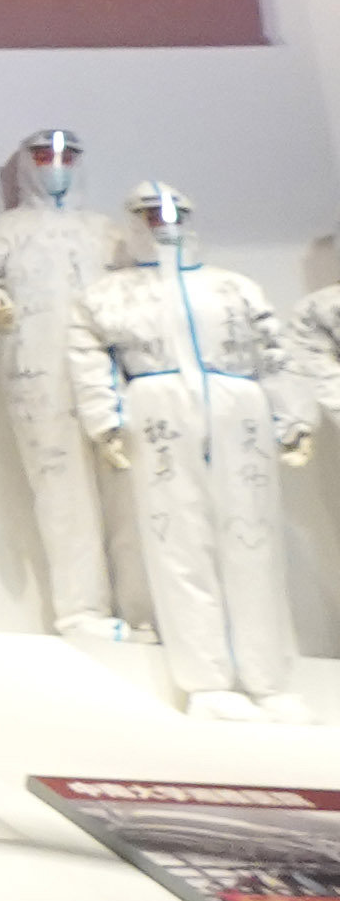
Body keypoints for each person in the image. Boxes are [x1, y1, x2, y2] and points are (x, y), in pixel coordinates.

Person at [67, 183, 315, 720]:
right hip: (157, 409)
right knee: (177, 540)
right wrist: (106, 422)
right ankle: (207, 681)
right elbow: (88, 356)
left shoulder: (233, 288)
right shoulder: (109, 294)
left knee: (252, 537)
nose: (164, 222)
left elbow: (272, 350)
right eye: (150, 214)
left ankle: (267, 676)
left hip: (236, 406)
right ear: (130, 222)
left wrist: (293, 417)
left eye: (174, 213)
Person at [0, 127, 126, 636]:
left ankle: (137, 602)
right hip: (39, 366)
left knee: (125, 485)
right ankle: (82, 608)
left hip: (109, 366)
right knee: (62, 484)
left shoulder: (105, 231)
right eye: (46, 156)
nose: (57, 165)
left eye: (68, 155)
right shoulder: (10, 229)